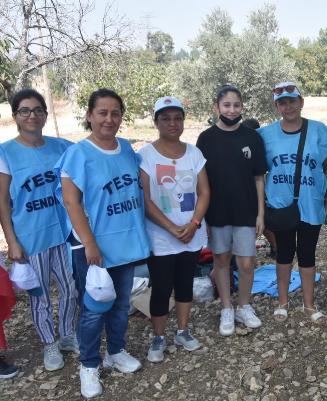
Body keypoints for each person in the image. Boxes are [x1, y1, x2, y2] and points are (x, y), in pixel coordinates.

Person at [55, 89, 150, 398]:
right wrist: (90, 243)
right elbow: (72, 204)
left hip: (125, 243)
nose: (109, 119)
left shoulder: (126, 150)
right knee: (95, 308)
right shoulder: (77, 154)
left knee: (121, 303)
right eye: (102, 113)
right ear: (89, 115)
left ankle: (117, 351)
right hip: (94, 248)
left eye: (115, 113)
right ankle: (89, 365)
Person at [0, 89, 78, 372]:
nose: (32, 116)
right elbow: (2, 202)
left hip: (63, 232)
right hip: (31, 236)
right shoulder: (5, 152)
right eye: (25, 110)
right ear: (15, 116)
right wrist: (12, 240)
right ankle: (49, 343)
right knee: (40, 294)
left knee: (71, 288)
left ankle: (68, 334)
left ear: (45, 114)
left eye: (37, 110)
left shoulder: (62, 147)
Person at [138, 97, 210, 363]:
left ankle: (182, 330)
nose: (172, 123)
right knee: (160, 287)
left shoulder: (194, 153)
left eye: (177, 118)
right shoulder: (145, 155)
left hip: (190, 234)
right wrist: (171, 228)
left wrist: (192, 224)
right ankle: (158, 337)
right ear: (156, 122)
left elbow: (204, 191)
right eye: (165, 118)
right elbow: (144, 199)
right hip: (160, 237)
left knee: (184, 284)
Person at [258, 82, 327, 321]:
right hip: (281, 204)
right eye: (282, 102)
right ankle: (283, 301)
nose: (288, 106)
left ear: (301, 102)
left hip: (311, 202)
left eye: (292, 101)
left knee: (308, 253)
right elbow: (258, 172)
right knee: (284, 253)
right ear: (277, 106)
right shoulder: (266, 135)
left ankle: (309, 305)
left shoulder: (318, 130)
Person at [196, 85, 267, 336]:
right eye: (226, 105)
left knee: (247, 263)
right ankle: (227, 308)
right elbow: (201, 181)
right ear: (217, 107)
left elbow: (259, 178)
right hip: (217, 212)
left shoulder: (252, 138)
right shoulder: (205, 139)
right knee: (221, 260)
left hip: (246, 211)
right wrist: (201, 215)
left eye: (236, 105)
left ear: (242, 107)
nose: (232, 110)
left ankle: (244, 306)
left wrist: (260, 213)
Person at [242, 118, 277, 259]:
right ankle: (275, 247)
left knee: (260, 222)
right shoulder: (260, 143)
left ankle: (274, 247)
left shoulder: (256, 144)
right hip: (260, 189)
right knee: (262, 222)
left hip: (257, 189)